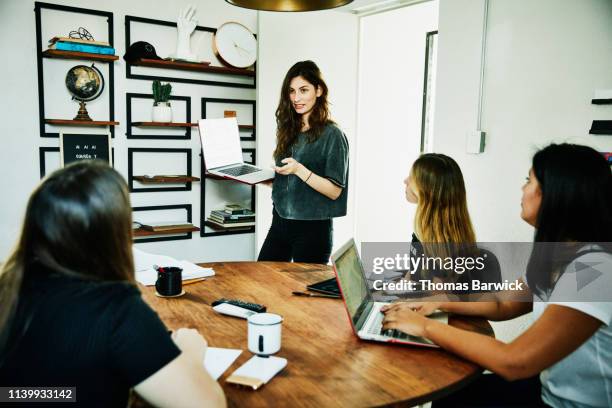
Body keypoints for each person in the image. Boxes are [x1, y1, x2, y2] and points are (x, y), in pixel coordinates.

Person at [382, 144, 612, 407]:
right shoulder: (557, 257)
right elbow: (504, 304)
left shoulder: (595, 270)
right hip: (546, 391)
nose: (522, 189)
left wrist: (424, 326)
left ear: (556, 194)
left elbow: (515, 361)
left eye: (529, 180)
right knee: (449, 394)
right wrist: (440, 301)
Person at [0, 161, 225, 408]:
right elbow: (208, 404)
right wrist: (190, 353)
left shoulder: (10, 288)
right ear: (114, 232)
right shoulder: (116, 310)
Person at [258, 60, 349, 264]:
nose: (296, 98)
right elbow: (294, 182)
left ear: (319, 90)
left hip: (313, 230)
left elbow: (335, 191)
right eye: (291, 91)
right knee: (263, 283)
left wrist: (299, 169)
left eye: (303, 90)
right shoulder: (288, 130)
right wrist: (271, 180)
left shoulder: (333, 135)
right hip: (280, 222)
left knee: (305, 294)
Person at [400, 153, 500, 289]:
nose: (405, 181)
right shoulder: (422, 234)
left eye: (412, 178)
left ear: (427, 191)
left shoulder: (444, 248)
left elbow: (436, 302)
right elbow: (413, 274)